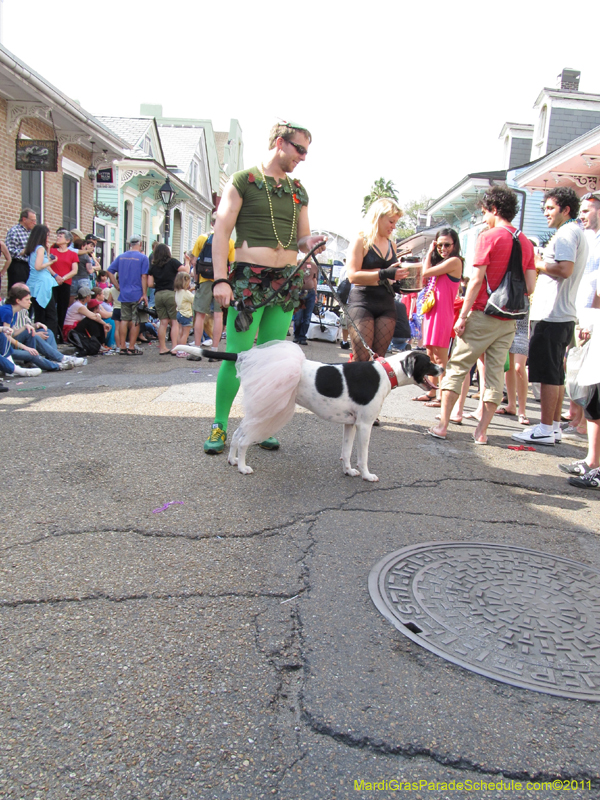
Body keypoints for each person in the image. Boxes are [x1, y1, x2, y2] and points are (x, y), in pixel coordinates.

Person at [206, 121, 326, 454]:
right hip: (248, 280)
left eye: (306, 151)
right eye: (299, 149)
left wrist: (310, 243)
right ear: (279, 143)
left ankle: (260, 426)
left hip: (286, 282)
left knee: (273, 359)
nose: (303, 157)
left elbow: (302, 238)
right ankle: (219, 425)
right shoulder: (243, 180)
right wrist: (220, 279)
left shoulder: (298, 190)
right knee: (237, 355)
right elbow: (221, 232)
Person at [429, 185, 536, 445]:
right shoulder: (525, 241)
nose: (484, 218)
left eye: (485, 212)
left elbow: (476, 281)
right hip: (508, 319)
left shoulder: (488, 237)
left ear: (494, 209)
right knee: (494, 376)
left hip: (482, 313)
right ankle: (481, 432)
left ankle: (443, 425)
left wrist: (463, 316)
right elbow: (531, 286)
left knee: (457, 367)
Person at [512, 187, 588, 446]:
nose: (545, 213)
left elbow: (565, 269)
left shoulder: (567, 233)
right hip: (561, 314)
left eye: (550, 208)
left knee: (547, 374)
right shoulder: (574, 232)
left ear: (565, 209)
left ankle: (545, 427)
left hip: (553, 314)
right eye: (544, 208)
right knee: (555, 374)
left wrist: (537, 262)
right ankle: (553, 427)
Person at [345, 198, 409, 362]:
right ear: (378, 217)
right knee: (361, 359)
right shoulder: (361, 240)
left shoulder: (392, 245)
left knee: (378, 361)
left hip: (386, 304)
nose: (394, 227)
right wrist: (384, 273)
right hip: (362, 302)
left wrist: (400, 283)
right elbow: (352, 276)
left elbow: (390, 277)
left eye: (396, 223)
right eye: (391, 221)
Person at [414, 228, 463, 406]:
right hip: (431, 312)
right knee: (430, 355)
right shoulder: (441, 263)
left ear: (455, 245)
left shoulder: (455, 261)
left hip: (443, 314)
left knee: (441, 358)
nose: (443, 248)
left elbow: (426, 272)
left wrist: (429, 252)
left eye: (447, 245)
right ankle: (431, 392)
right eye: (439, 245)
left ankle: (442, 396)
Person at [0, 284, 75, 371]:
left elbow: (12, 333)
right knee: (32, 354)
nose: (30, 302)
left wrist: (25, 327)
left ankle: (36, 361)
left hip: (7, 345)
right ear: (18, 301)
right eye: (27, 300)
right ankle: (58, 365)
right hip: (4, 349)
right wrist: (26, 348)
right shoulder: (7, 311)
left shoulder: (14, 311)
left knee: (30, 331)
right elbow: (6, 336)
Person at [191, 223, 235, 361]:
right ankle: (214, 351)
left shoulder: (202, 238)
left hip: (204, 280)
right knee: (218, 316)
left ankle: (196, 350)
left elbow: (194, 261)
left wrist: (196, 281)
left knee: (200, 315)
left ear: (211, 224)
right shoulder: (229, 241)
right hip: (221, 281)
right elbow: (232, 264)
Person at [107, 234, 150, 356]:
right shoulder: (143, 258)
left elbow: (109, 271)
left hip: (124, 293)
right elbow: (144, 276)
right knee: (136, 321)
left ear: (130, 244)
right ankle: (131, 347)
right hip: (137, 293)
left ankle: (122, 347)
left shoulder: (121, 257)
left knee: (124, 320)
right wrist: (144, 294)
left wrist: (117, 285)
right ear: (140, 244)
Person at [147, 243, 186, 355]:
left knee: (163, 322)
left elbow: (150, 284)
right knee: (174, 321)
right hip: (171, 293)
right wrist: (187, 262)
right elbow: (185, 270)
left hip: (158, 294)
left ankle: (162, 348)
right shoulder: (172, 262)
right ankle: (174, 347)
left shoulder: (153, 266)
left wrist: (159, 284)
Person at [24, 224, 59, 337]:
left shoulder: (33, 248)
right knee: (51, 314)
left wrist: (47, 252)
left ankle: (39, 337)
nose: (48, 238)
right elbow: (38, 266)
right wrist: (51, 262)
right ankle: (50, 338)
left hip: (34, 282)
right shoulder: (40, 248)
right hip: (43, 283)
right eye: (47, 235)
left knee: (39, 313)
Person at [50, 230, 79, 338]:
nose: (57, 238)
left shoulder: (72, 254)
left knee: (62, 308)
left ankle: (59, 334)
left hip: (65, 283)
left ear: (67, 240)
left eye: (60, 236)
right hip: (52, 282)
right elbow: (47, 264)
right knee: (51, 307)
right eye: (57, 236)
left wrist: (63, 278)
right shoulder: (52, 251)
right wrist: (55, 276)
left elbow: (74, 270)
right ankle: (51, 331)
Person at [5, 208, 36, 289]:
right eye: (32, 220)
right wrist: (24, 251)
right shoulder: (14, 231)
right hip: (18, 265)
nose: (35, 223)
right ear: (24, 219)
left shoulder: (31, 233)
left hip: (29, 266)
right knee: (18, 290)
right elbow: (9, 250)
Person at [293, 257, 318, 344]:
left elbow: (314, 280)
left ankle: (302, 336)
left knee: (307, 317)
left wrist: (315, 294)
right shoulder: (298, 263)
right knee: (298, 317)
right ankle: (296, 335)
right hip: (300, 292)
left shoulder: (314, 266)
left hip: (310, 293)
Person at [173, 272, 195, 357]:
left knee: (180, 332)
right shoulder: (186, 293)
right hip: (186, 314)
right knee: (185, 334)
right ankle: (182, 350)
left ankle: (179, 349)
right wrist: (192, 290)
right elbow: (194, 299)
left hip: (179, 313)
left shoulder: (177, 292)